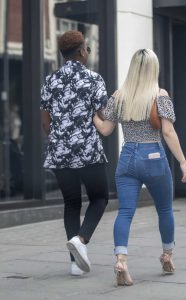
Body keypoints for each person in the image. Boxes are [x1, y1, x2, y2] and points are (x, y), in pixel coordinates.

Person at [93, 49, 186, 286]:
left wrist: (91, 116)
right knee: (165, 210)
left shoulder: (119, 96)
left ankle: (121, 260)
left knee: (125, 211)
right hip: (154, 156)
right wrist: (182, 162)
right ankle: (167, 256)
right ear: (153, 69)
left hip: (128, 157)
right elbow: (167, 131)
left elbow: (105, 130)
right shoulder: (160, 95)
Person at [40, 30, 109, 276]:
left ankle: (75, 264)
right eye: (87, 49)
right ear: (81, 51)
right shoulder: (94, 79)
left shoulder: (50, 81)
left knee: (71, 204)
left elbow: (45, 123)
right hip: (88, 151)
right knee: (100, 198)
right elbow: (103, 117)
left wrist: (60, 140)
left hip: (59, 152)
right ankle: (81, 239)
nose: (87, 52)